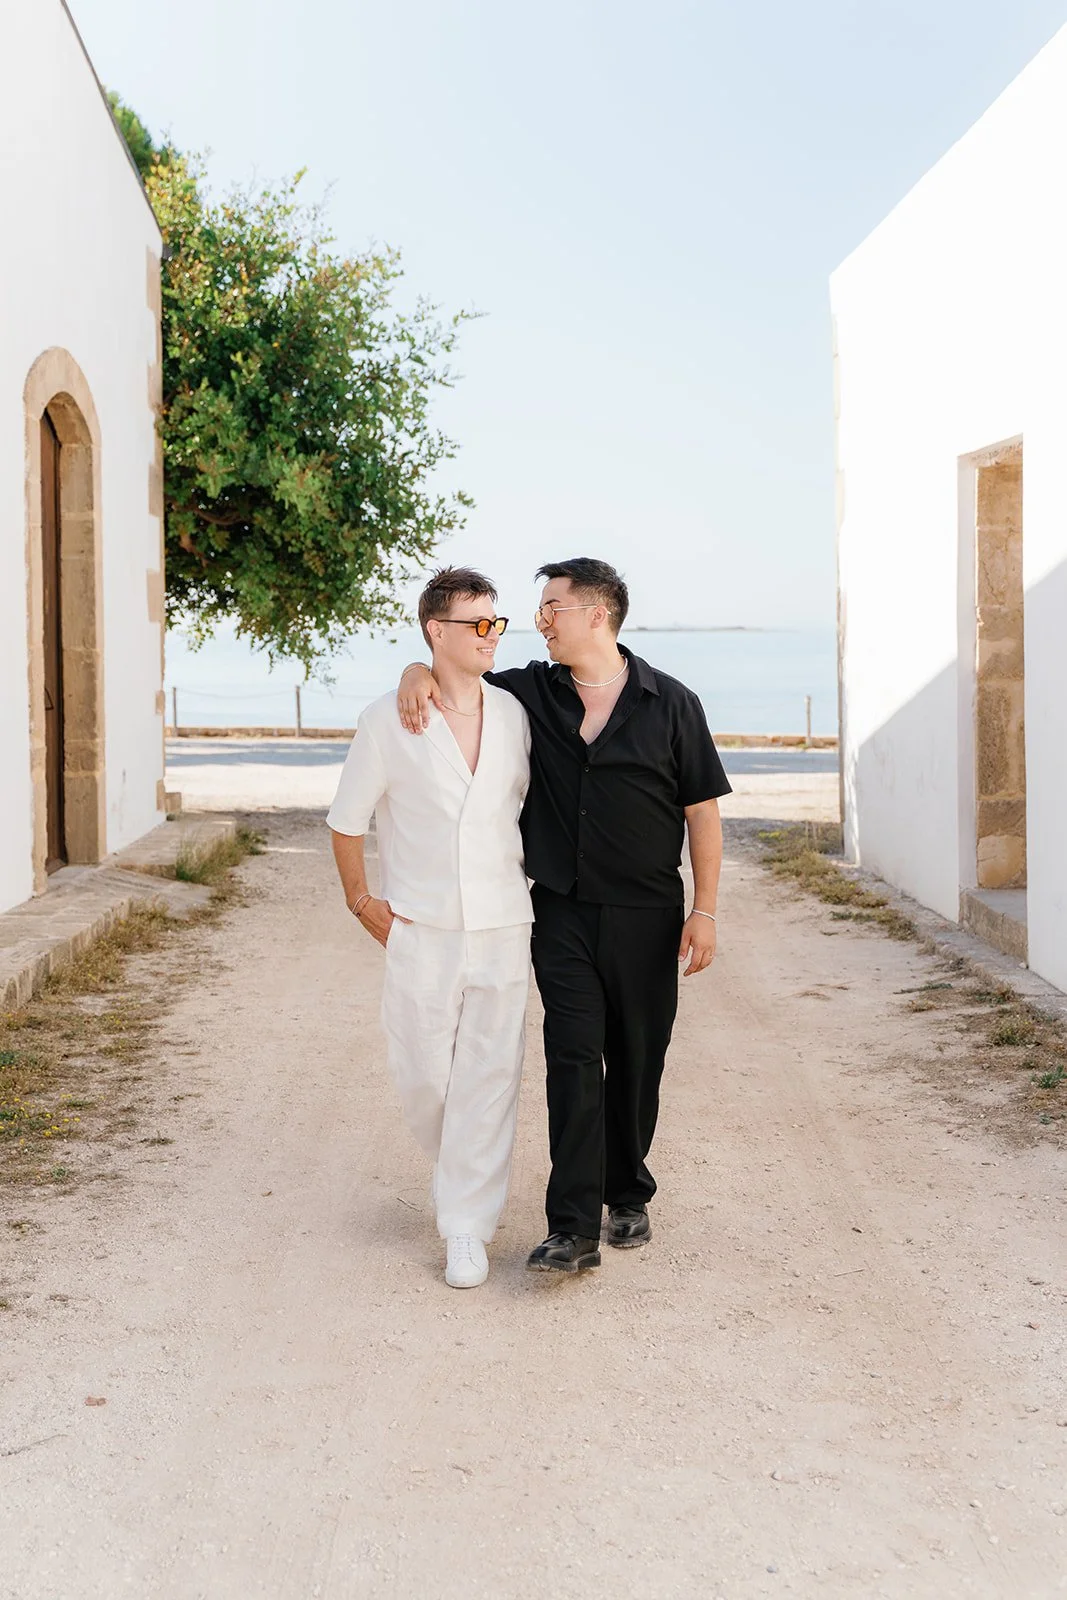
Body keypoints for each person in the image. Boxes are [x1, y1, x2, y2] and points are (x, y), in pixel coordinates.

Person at [398, 557, 731, 1274]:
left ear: (595, 614)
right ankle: (572, 1226)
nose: (538, 620)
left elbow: (700, 812)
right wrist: (413, 673)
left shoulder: (670, 703)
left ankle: (626, 1191)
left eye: (551, 606)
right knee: (573, 1059)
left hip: (647, 914)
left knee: (637, 1058)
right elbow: (456, 674)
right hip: (559, 913)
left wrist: (703, 909)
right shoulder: (528, 695)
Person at [328, 566, 533, 1289]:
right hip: (420, 928)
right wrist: (362, 902)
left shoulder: (515, 714)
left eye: (496, 622)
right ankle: (459, 1183)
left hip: (505, 924)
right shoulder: (390, 718)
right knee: (424, 1077)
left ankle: (465, 1229)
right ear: (434, 631)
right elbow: (346, 822)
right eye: (476, 624)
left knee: (489, 1080)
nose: (491, 636)